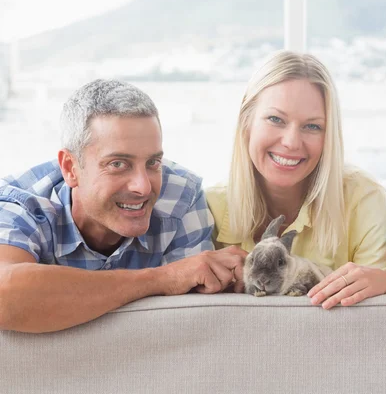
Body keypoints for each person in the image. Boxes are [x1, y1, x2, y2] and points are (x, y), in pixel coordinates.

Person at [0, 79, 246, 333]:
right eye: (118, 164)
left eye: (153, 162)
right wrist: (162, 278)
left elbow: (192, 329)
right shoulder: (19, 203)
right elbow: (5, 296)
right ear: (70, 168)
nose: (143, 187)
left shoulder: (181, 197)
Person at [206, 51, 386, 309]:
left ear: (329, 136)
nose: (291, 142)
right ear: (246, 122)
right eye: (275, 119)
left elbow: (384, 323)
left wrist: (384, 286)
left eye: (312, 126)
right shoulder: (210, 206)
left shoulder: (364, 200)